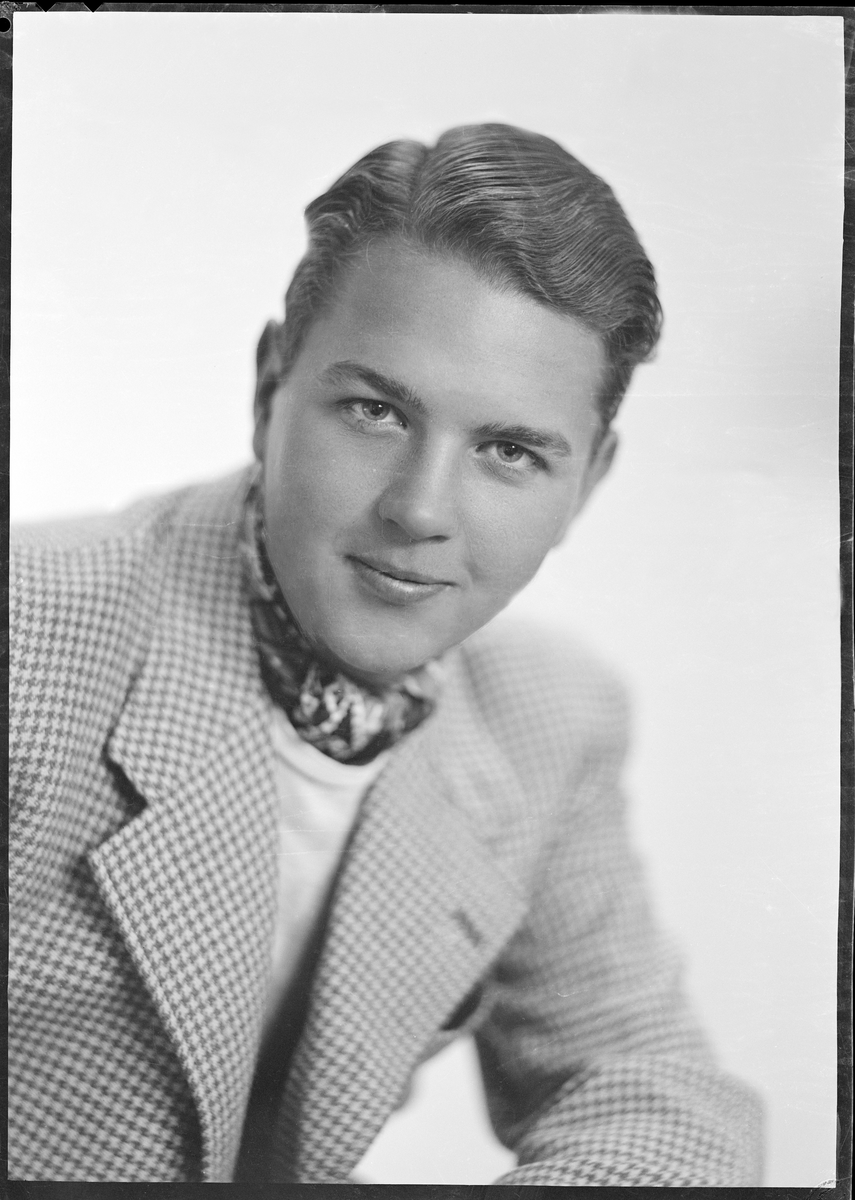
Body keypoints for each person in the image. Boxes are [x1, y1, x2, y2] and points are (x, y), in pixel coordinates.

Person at [9, 123, 764, 1185]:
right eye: (375, 411)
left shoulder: (548, 716)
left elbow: (652, 1087)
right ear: (269, 389)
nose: (419, 509)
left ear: (587, 483)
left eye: (509, 451)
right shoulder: (27, 640)